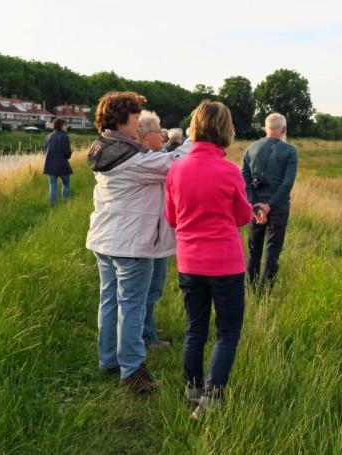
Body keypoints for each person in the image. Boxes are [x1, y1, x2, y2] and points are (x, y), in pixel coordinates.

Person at [86, 92, 184, 395]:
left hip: (106, 240)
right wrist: (195, 138)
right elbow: (172, 163)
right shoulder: (129, 158)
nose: (138, 123)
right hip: (131, 244)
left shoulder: (108, 148)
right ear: (120, 119)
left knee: (110, 300)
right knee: (132, 305)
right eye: (134, 117)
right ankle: (132, 371)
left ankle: (109, 359)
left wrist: (129, 98)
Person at [165, 100, 253, 420]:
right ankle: (212, 400)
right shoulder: (229, 170)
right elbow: (243, 216)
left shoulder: (176, 169)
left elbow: (172, 218)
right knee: (227, 333)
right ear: (225, 131)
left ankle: (192, 390)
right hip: (225, 264)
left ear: (195, 128)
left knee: (194, 329)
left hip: (189, 261)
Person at [241, 113, 298, 290]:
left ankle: (250, 289)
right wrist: (270, 206)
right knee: (272, 252)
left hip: (255, 207)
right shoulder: (289, 151)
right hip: (278, 207)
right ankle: (264, 294)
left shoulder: (250, 149)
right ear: (284, 130)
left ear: (266, 128)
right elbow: (287, 183)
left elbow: (244, 182)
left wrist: (255, 206)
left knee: (254, 250)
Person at [136, 110, 173, 349]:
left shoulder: (151, 156)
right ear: (147, 134)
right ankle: (146, 336)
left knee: (153, 288)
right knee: (149, 289)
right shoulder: (147, 161)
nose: (164, 135)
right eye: (160, 131)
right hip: (150, 238)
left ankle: (147, 325)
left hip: (156, 236)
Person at [43, 118, 73, 206]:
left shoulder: (48, 136)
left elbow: (45, 151)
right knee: (66, 184)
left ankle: (53, 206)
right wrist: (71, 151)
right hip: (62, 166)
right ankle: (66, 203)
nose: (66, 127)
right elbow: (67, 154)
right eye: (65, 125)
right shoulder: (64, 136)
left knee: (52, 187)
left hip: (50, 166)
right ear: (61, 125)